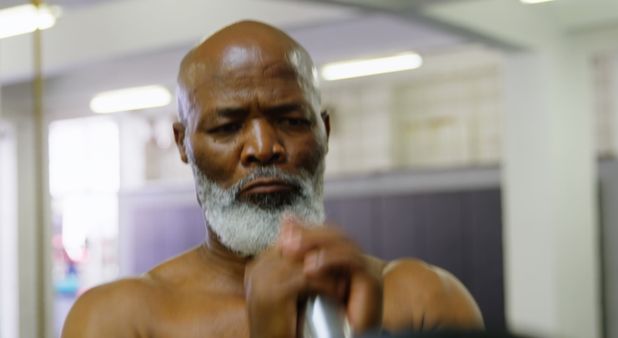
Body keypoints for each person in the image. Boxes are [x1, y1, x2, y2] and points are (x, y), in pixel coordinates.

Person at [62, 20, 484, 338]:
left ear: (325, 133)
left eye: (290, 120)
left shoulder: (423, 300)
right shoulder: (118, 320)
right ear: (183, 144)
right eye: (227, 127)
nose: (263, 148)